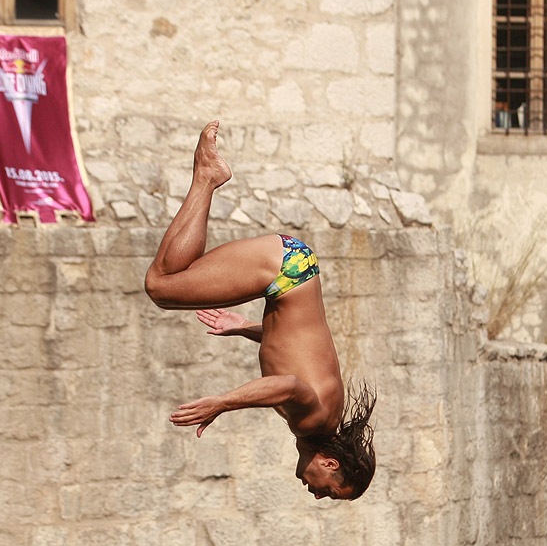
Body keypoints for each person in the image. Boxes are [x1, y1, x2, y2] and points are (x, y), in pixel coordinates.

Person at [144, 120, 376, 501]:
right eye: (330, 492)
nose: (317, 495)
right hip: (284, 272)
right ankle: (207, 176)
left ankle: (206, 177)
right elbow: (289, 384)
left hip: (294, 269)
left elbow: (297, 349)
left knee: (166, 282)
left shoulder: (327, 417)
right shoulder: (313, 422)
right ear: (331, 465)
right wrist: (222, 403)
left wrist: (245, 327)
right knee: (160, 286)